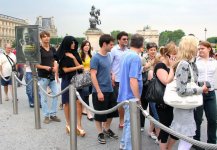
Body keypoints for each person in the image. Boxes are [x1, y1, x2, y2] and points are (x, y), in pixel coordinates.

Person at [170, 36, 208, 150]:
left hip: (187, 106)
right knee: (188, 138)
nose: (198, 49)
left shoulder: (188, 63)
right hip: (184, 107)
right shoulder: (185, 64)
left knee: (187, 138)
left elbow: (188, 82)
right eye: (196, 46)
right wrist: (201, 89)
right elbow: (182, 90)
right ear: (191, 48)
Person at [90, 34, 119, 144]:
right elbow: (93, 75)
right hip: (100, 90)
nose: (112, 46)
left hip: (110, 89)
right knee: (99, 114)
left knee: (112, 112)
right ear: (104, 44)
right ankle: (100, 133)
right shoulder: (96, 58)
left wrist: (112, 74)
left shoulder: (109, 56)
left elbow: (109, 68)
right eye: (111, 44)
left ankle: (106, 129)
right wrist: (98, 91)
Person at [117, 34, 144, 150]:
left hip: (124, 93)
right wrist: (138, 98)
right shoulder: (135, 57)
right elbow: (133, 80)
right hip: (131, 96)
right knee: (130, 124)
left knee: (128, 122)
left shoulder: (125, 54)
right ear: (141, 45)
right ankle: (127, 147)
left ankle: (123, 143)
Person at [56, 36, 85, 136]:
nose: (73, 44)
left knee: (78, 103)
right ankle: (68, 123)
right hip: (67, 80)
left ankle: (79, 125)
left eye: (74, 42)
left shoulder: (75, 53)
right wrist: (77, 66)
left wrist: (73, 58)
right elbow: (65, 70)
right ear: (67, 43)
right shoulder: (62, 54)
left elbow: (80, 67)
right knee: (67, 103)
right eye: (71, 42)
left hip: (77, 81)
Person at [154, 42, 178, 150]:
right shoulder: (160, 66)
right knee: (165, 128)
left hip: (173, 101)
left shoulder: (170, 66)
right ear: (168, 55)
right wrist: (172, 67)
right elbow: (166, 81)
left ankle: (168, 148)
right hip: (162, 102)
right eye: (174, 55)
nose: (176, 57)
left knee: (175, 129)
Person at [194, 41, 217, 147]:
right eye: (199, 49)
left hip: (211, 94)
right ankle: (196, 142)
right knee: (197, 119)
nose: (200, 50)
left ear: (209, 49)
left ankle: (212, 143)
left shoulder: (214, 62)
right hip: (199, 93)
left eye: (202, 48)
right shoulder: (195, 62)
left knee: (213, 119)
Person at [36, 31, 61, 124]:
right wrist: (45, 67)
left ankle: (53, 114)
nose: (46, 38)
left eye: (48, 36)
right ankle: (46, 115)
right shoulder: (39, 49)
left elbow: (55, 60)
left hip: (51, 76)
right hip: (43, 76)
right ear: (41, 38)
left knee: (56, 94)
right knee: (44, 97)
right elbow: (35, 65)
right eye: (44, 36)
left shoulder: (52, 48)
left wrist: (55, 68)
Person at [140, 42, 159, 142]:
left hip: (155, 86)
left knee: (153, 108)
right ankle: (141, 125)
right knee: (143, 105)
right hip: (145, 85)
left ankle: (153, 129)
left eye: (154, 49)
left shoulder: (159, 58)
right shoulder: (143, 59)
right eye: (151, 50)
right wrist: (147, 66)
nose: (153, 51)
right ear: (147, 50)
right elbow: (140, 70)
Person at [110, 31, 129, 128]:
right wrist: (112, 74)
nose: (126, 40)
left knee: (126, 101)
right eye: (124, 39)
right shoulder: (113, 50)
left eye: (127, 39)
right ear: (118, 40)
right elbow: (109, 64)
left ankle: (125, 119)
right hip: (116, 80)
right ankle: (121, 120)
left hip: (126, 80)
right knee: (120, 101)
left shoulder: (128, 51)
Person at [79, 40, 94, 121]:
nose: (87, 46)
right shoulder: (79, 55)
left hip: (91, 76)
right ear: (82, 47)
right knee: (86, 94)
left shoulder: (91, 55)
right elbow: (79, 66)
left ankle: (84, 109)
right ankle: (89, 112)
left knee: (87, 93)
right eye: (85, 45)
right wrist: (85, 69)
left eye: (88, 45)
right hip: (83, 77)